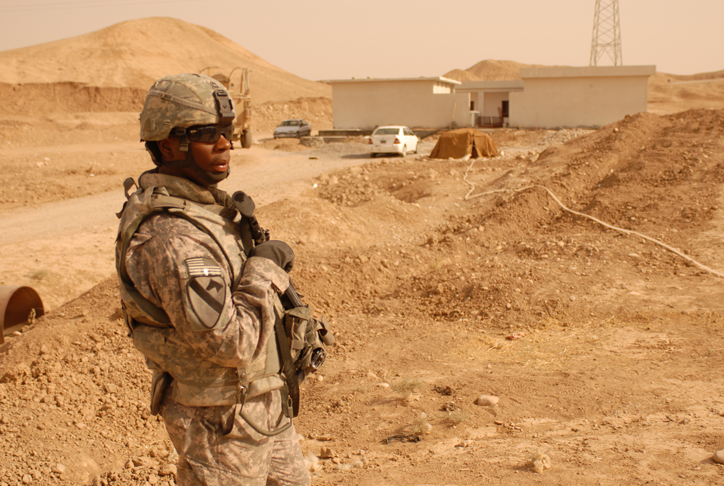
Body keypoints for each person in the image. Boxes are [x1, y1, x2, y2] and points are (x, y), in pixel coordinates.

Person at [115, 73, 310, 486]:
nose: (225, 144)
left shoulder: (204, 211)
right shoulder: (172, 235)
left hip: (262, 406)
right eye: (207, 134)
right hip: (220, 425)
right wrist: (264, 268)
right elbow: (230, 341)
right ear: (168, 144)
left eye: (226, 132)